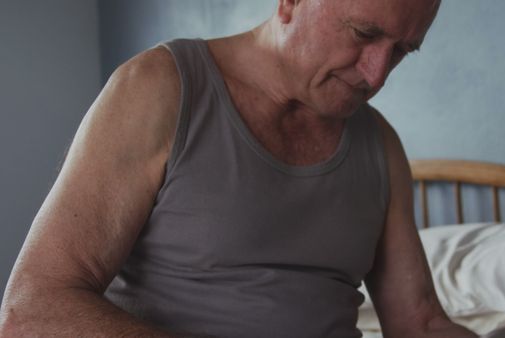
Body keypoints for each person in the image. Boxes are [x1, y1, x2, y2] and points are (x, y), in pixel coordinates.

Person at [0, 0, 477, 337]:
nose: (376, 74)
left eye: (401, 51)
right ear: (291, 1)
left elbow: (421, 325)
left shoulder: (380, 145)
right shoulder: (158, 88)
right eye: (364, 33)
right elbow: (31, 312)